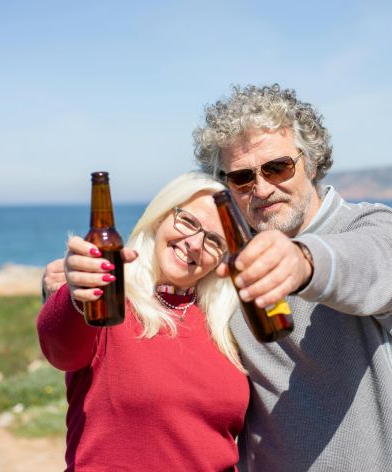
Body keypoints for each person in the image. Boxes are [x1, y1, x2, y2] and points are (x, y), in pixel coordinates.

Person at [45, 84, 392, 471]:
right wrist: (66, 292)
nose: (263, 188)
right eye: (243, 177)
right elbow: (83, 333)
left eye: (278, 167)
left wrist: (303, 262)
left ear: (312, 162)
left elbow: (374, 267)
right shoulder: (228, 268)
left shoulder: (369, 226)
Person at [37, 172, 248, 472]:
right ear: (159, 217)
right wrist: (75, 294)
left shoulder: (225, 324)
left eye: (214, 241)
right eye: (187, 222)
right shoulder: (110, 302)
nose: (195, 244)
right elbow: (59, 348)